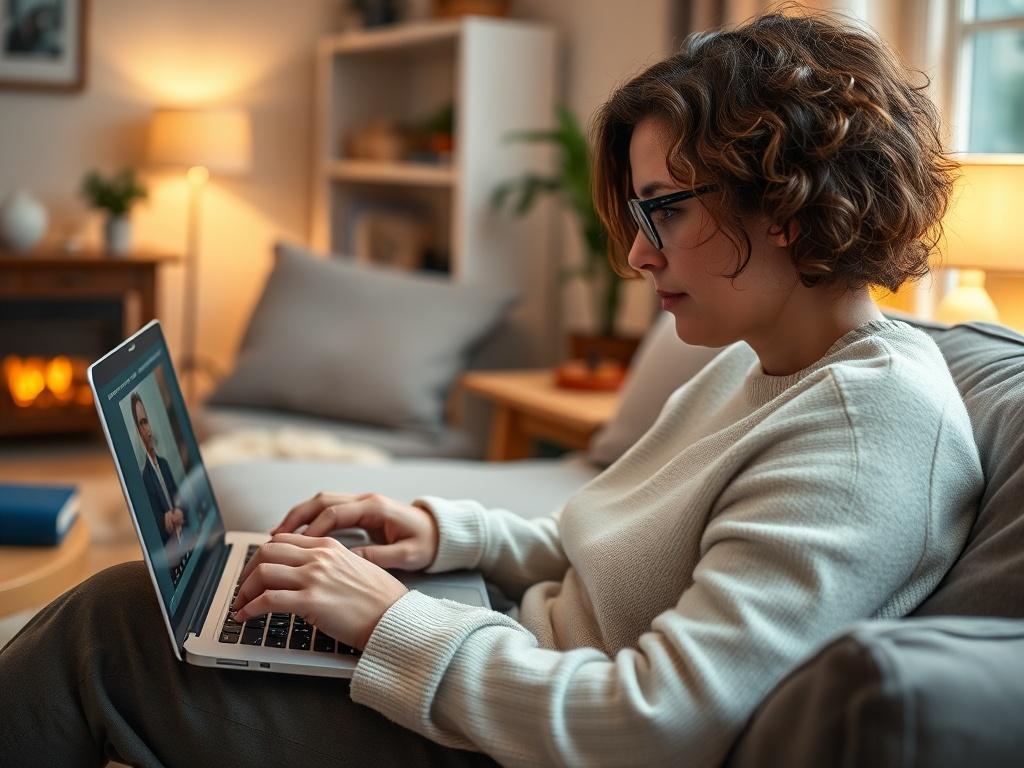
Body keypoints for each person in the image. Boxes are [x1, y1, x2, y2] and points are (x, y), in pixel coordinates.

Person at [0, 10, 983, 767]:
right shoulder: (755, 360)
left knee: (114, 627)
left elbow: (654, 726)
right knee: (168, 608)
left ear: (788, 204)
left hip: (511, 739)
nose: (638, 254)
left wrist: (387, 620)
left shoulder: (866, 434)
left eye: (667, 213)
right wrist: (441, 533)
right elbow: (607, 544)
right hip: (500, 662)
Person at [131, 391, 189, 583]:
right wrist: (166, 518)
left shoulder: (163, 464)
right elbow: (152, 522)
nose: (146, 428)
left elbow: (179, 497)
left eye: (145, 421)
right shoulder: (144, 478)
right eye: (140, 423)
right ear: (137, 432)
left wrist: (179, 509)